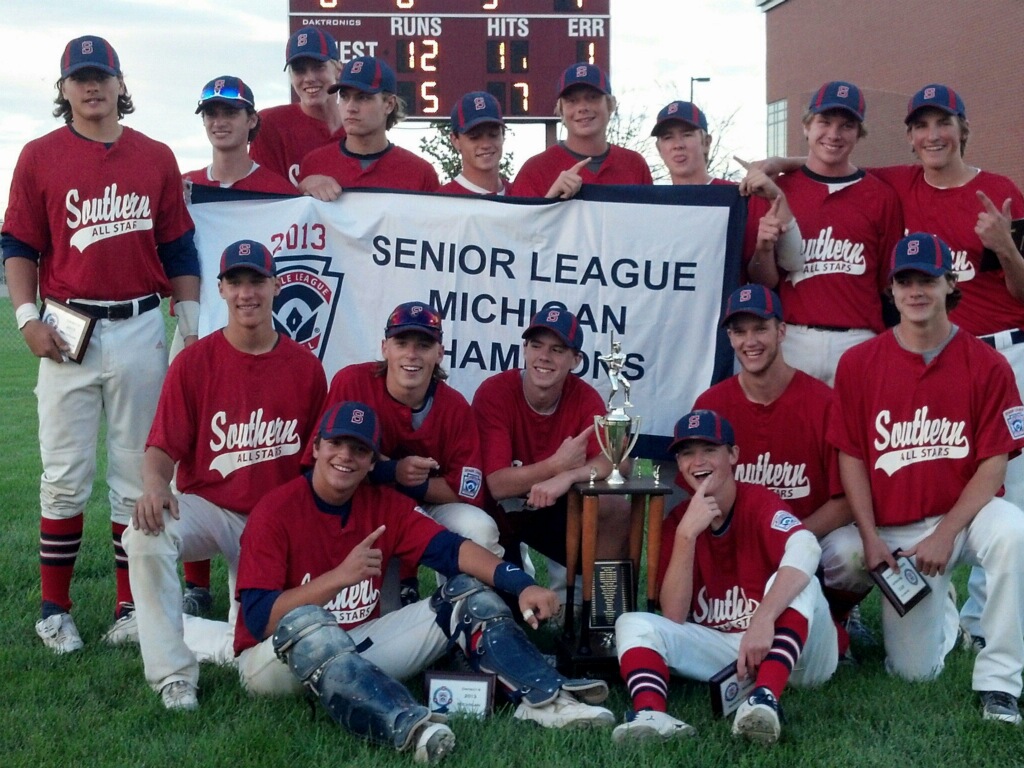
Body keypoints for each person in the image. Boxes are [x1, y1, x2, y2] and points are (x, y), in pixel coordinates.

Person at [234, 401, 614, 762]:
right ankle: (408, 727)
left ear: (371, 463)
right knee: (310, 624)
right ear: (315, 448)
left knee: (467, 596)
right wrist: (340, 578)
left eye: (359, 449)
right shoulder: (276, 510)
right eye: (335, 444)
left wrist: (521, 585)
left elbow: (453, 549)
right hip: (273, 662)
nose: (345, 457)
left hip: (356, 644)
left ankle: (547, 699)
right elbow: (260, 620)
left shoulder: (382, 503)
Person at [1, 35, 200, 654]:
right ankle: (53, 610)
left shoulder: (156, 155)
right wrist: (26, 318)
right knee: (64, 474)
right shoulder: (39, 155)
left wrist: (189, 325)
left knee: (133, 475)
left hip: (141, 322)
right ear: (63, 90)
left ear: (120, 83)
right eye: (79, 78)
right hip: (66, 323)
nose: (92, 87)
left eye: (101, 76)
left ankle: (128, 607)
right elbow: (18, 246)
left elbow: (178, 248)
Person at [827, 232, 1024, 724]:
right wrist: (870, 538)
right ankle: (944, 615)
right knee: (913, 672)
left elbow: (995, 462)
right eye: (905, 281)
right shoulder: (859, 363)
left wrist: (946, 532)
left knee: (1013, 533)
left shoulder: (988, 364)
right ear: (891, 291)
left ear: (949, 285)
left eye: (928, 280)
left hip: (965, 517)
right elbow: (850, 455)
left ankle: (1000, 683)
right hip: (896, 531)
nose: (916, 291)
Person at [122, 239, 327, 710]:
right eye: (235, 282)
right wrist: (154, 487)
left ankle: (157, 626)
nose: (246, 292)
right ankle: (172, 674)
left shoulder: (305, 368)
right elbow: (160, 448)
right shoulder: (194, 362)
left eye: (256, 280)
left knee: (252, 652)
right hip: (210, 510)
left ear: (276, 286)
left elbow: (318, 464)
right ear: (220, 289)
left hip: (275, 520)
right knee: (145, 533)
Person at [614, 410, 838, 745]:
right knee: (631, 623)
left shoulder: (758, 502)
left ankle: (765, 699)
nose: (697, 461)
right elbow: (674, 615)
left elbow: (806, 546)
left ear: (733, 455)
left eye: (709, 449)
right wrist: (687, 535)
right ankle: (652, 713)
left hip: (801, 657)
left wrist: (764, 617)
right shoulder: (679, 522)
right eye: (687, 452)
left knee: (797, 581)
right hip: (733, 654)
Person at [693, 284, 865, 650]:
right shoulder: (712, 404)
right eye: (739, 331)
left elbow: (847, 499)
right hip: (738, 545)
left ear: (782, 331)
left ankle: (835, 618)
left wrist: (791, 540)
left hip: (810, 537)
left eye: (760, 328)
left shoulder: (823, 402)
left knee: (854, 553)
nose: (749, 341)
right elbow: (697, 495)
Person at [319, 301, 501, 603]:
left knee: (479, 528)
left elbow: (468, 492)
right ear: (384, 347)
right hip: (365, 508)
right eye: (401, 343)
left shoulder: (454, 406)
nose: (412, 354)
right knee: (383, 619)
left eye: (424, 345)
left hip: (425, 506)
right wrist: (392, 471)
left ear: (439, 353)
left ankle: (469, 618)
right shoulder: (352, 382)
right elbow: (323, 465)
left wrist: (413, 482)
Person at [740, 80, 903, 386]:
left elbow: (888, 285)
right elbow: (763, 281)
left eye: (846, 125)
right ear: (806, 126)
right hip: (793, 336)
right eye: (824, 122)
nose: (834, 134)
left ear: (859, 133)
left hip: (859, 340)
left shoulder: (881, 196)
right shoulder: (775, 190)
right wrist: (764, 248)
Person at [472, 304, 626, 593]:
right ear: (525, 350)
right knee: (509, 613)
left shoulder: (583, 396)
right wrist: (555, 466)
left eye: (557, 349)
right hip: (496, 514)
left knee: (614, 506)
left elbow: (618, 462)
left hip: (549, 510)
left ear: (575, 359)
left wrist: (568, 476)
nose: (544, 356)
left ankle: (601, 618)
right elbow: (495, 485)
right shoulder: (495, 392)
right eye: (536, 345)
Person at [651, 100, 803, 287]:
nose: (677, 145)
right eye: (667, 137)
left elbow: (766, 282)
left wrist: (763, 249)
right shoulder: (653, 206)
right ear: (659, 149)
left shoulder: (740, 196)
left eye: (687, 135)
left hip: (725, 312)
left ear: (706, 142)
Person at [298, 56, 440, 201]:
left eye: (363, 98)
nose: (351, 108)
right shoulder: (315, 163)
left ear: (389, 104)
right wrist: (300, 188)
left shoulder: (420, 172)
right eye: (345, 97)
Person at [511, 62, 652, 199]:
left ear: (610, 104)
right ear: (561, 110)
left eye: (592, 98)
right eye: (572, 100)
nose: (582, 107)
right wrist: (549, 201)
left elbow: (649, 220)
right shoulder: (536, 169)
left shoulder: (635, 164)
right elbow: (519, 222)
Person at [248, 27, 345, 186]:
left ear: (338, 69)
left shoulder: (357, 123)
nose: (309, 78)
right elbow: (261, 197)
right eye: (299, 70)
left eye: (318, 66)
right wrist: (302, 191)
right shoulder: (271, 124)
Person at [183, 75, 295, 196]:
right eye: (211, 114)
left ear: (252, 120)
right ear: (203, 121)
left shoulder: (279, 192)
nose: (219, 123)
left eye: (230, 113)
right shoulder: (183, 187)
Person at [438, 91, 511, 195]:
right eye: (474, 137)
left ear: (503, 135)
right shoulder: (442, 201)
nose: (486, 144)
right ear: (455, 141)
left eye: (493, 134)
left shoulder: (522, 195)